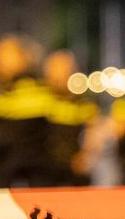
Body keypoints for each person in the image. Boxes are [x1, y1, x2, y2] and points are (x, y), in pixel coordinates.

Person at [0, 35, 52, 187]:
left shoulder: (40, 88)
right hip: (6, 165)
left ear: (23, 57)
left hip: (37, 168)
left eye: (4, 54)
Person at [41, 50, 100, 186]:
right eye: (55, 67)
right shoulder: (40, 96)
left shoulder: (83, 100)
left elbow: (93, 131)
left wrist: (86, 155)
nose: (60, 73)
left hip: (75, 163)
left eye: (65, 68)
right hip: (44, 165)